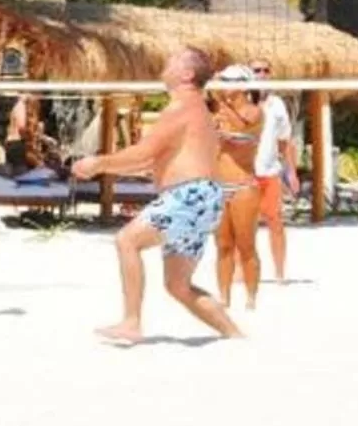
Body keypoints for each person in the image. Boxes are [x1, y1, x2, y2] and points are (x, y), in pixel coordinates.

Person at [70, 48, 241, 344]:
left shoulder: (181, 106)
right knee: (179, 286)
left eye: (173, 59)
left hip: (190, 195)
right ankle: (235, 336)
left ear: (187, 74)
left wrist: (98, 163)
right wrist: (116, 166)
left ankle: (131, 323)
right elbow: (151, 160)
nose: (165, 61)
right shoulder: (197, 108)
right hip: (205, 198)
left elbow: (144, 153)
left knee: (127, 241)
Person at [209, 65, 266, 312]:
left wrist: (223, 103)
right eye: (223, 82)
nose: (224, 87)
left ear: (243, 85)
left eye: (229, 82)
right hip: (219, 186)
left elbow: (241, 129)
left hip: (244, 185)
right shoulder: (218, 112)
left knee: (246, 245)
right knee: (222, 245)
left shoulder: (254, 112)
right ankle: (223, 296)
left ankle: (251, 297)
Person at [248, 59, 300, 281]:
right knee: (243, 225)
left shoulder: (277, 103)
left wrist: (292, 172)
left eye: (265, 70)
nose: (261, 74)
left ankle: (280, 273)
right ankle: (244, 272)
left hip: (269, 171)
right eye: (256, 70)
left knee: (275, 221)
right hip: (244, 173)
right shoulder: (239, 100)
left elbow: (285, 140)